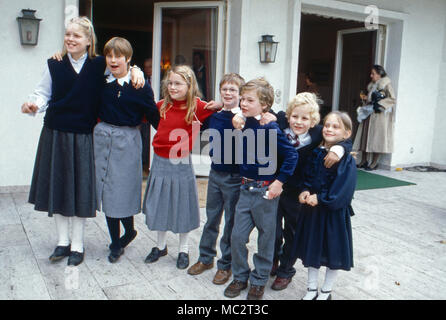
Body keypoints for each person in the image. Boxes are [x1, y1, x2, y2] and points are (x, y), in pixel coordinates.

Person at [21, 17, 144, 267]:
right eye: (68, 34)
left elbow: (122, 68)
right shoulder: (54, 64)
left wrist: (137, 70)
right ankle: (63, 242)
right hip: (55, 133)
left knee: (80, 191)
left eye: (77, 36)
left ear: (89, 40)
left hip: (84, 136)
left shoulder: (99, 64)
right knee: (60, 187)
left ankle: (78, 245)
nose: (70, 39)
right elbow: (42, 93)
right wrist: (33, 105)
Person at [223, 78, 298, 300]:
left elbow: (291, 155)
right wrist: (238, 115)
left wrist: (279, 182)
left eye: (249, 100)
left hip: (266, 192)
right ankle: (239, 276)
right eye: (242, 99)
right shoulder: (242, 121)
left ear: (264, 105)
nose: (243, 103)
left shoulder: (271, 127)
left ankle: (259, 280)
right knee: (237, 236)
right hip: (245, 189)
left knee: (266, 238)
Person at [269, 93, 351, 291]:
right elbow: (262, 111)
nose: (299, 121)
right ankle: (272, 259)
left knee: (292, 232)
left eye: (305, 118)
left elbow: (344, 139)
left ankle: (286, 269)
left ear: (313, 121)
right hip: (274, 186)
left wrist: (339, 149)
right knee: (271, 229)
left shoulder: (317, 134)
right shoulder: (279, 126)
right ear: (288, 116)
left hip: (298, 192)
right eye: (295, 117)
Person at [142, 65, 218, 269]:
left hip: (181, 162)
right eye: (170, 83)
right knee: (160, 203)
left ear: (189, 85)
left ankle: (183, 249)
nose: (173, 87)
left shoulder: (198, 107)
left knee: (182, 204)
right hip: (159, 160)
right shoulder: (161, 106)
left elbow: (224, 110)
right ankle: (160, 246)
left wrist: (220, 104)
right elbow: (138, 111)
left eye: (178, 83)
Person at [94, 37, 159, 263]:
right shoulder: (100, 82)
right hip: (102, 140)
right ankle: (115, 242)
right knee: (108, 190)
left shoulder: (140, 86)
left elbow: (154, 116)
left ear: (128, 59)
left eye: (118, 56)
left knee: (122, 190)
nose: (113, 60)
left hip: (128, 141)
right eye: (109, 55)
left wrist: (173, 137)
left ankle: (129, 231)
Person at [291, 111, 356, 300]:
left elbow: (345, 189)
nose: (329, 129)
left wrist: (321, 198)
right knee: (313, 251)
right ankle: (311, 289)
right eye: (327, 125)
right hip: (312, 214)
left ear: (346, 134)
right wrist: (304, 190)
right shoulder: (316, 153)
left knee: (332, 253)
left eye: (336, 127)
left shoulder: (346, 159)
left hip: (332, 214)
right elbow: (308, 177)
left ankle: (326, 291)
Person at [187, 73, 245, 285]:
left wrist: (238, 112)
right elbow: (195, 119)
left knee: (231, 222)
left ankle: (225, 264)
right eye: (225, 89)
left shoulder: (244, 118)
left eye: (233, 90)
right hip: (215, 173)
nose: (228, 93)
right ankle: (206, 258)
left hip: (235, 177)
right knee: (211, 218)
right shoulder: (215, 115)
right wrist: (218, 106)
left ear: (241, 94)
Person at [353, 65, 396, 170]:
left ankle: (374, 162)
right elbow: (370, 98)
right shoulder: (372, 85)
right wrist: (366, 99)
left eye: (373, 73)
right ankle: (363, 160)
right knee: (365, 136)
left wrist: (379, 104)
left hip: (379, 115)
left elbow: (392, 99)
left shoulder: (386, 84)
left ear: (379, 74)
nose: (371, 76)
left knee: (377, 138)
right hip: (369, 113)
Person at [141, 57, 153, 177]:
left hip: (155, 114)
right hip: (145, 116)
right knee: (145, 139)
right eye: (146, 67)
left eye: (150, 66)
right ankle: (145, 164)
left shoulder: (161, 80)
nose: (147, 69)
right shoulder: (142, 80)